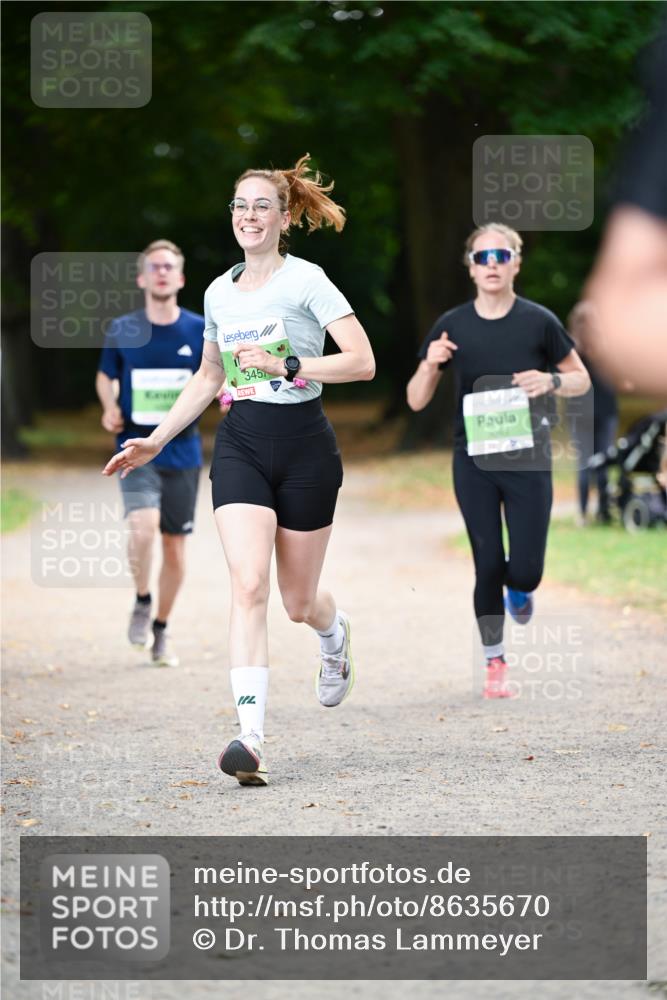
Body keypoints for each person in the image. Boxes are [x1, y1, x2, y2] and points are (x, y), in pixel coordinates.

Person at [102, 155, 375, 786]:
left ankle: (333, 636)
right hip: (242, 444)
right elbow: (210, 376)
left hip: (306, 447)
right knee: (248, 584)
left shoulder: (308, 280)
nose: (249, 216)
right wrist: (155, 440)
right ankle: (250, 737)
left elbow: (361, 362)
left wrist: (289, 366)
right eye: (240, 206)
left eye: (261, 206)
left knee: (298, 601)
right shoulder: (217, 293)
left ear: (284, 217)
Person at [407, 224, 590, 698]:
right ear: (470, 267)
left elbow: (581, 379)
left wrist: (551, 381)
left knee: (526, 570)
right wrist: (430, 363)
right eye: (482, 256)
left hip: (529, 459)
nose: (492, 264)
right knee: (487, 562)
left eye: (501, 255)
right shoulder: (452, 325)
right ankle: (494, 661)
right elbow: (415, 400)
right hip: (474, 461)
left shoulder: (539, 322)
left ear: (516, 263)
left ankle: (521, 588)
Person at [96, 240, 204, 666]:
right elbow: (106, 375)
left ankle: (161, 627)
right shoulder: (123, 328)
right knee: (143, 529)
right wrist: (109, 406)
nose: (161, 273)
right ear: (142, 278)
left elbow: (214, 377)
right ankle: (142, 599)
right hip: (133, 448)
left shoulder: (199, 329)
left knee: (175, 547)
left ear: (181, 278)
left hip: (183, 451)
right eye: (154, 267)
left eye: (169, 267)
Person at [566, 301, 619, 525]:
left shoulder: (569, 348)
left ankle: (583, 513)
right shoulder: (607, 348)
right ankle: (603, 511)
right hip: (605, 410)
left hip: (580, 411)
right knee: (602, 461)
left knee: (584, 463)